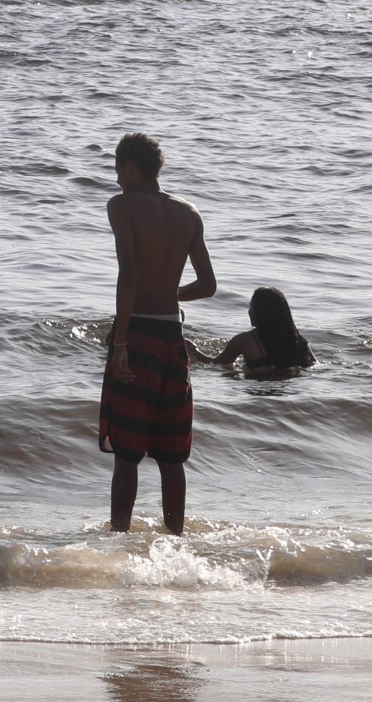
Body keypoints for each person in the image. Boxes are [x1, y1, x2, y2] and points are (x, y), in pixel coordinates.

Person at [100, 132, 216, 535]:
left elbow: (129, 273)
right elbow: (208, 286)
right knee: (171, 456)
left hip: (138, 333)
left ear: (131, 168)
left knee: (127, 453)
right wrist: (170, 292)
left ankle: (118, 538)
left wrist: (120, 342)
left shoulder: (122, 206)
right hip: (172, 339)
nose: (117, 181)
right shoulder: (189, 213)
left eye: (119, 171)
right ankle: (177, 539)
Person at [194, 286, 315, 376]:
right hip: (289, 387)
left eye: (251, 306)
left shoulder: (243, 340)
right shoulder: (296, 338)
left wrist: (194, 351)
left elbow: (217, 364)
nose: (249, 311)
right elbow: (314, 365)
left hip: (257, 386)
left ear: (260, 311)